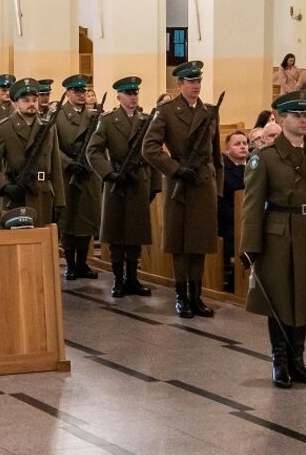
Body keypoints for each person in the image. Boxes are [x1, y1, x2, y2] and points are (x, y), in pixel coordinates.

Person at [241, 91, 306, 389]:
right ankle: (279, 361)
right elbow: (252, 205)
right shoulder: (265, 158)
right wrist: (250, 247)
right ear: (282, 119)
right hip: (278, 235)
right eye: (296, 115)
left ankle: (299, 362)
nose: (303, 120)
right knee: (281, 299)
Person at [142, 61, 222, 319]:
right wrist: (174, 169)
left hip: (202, 184)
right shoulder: (166, 111)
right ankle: (181, 297)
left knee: (199, 243)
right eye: (190, 82)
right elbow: (150, 148)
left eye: (198, 81)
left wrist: (217, 188)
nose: (196, 86)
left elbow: (217, 154)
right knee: (180, 243)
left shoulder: (210, 111)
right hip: (179, 182)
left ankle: (197, 296)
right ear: (180, 84)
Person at [86, 77, 158, 298]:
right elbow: (93, 151)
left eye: (135, 93)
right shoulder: (108, 121)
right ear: (119, 97)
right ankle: (118, 279)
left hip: (138, 182)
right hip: (116, 182)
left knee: (135, 236)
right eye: (128, 94)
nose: (133, 97)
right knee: (117, 236)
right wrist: (109, 173)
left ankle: (133, 279)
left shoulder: (146, 120)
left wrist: (154, 184)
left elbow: (153, 152)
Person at [0, 78, 66, 223]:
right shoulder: (4, 128)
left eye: (34, 99)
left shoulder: (48, 127)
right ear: (15, 103)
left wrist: (59, 201)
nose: (32, 104)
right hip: (17, 193)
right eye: (26, 100)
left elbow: (55, 165)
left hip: (43, 193)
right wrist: (4, 186)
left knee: (44, 239)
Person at [54, 74, 102, 280]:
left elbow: (99, 146)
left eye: (83, 91)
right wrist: (68, 163)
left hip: (88, 173)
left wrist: (89, 163)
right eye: (76, 92)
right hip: (67, 174)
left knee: (86, 222)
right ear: (67, 93)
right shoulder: (58, 116)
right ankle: (71, 264)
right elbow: (52, 147)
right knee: (68, 222)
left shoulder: (94, 117)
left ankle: (83, 263)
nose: (81, 95)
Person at [218, 130, 249, 290]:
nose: (243, 147)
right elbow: (220, 205)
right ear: (227, 150)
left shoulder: (254, 166)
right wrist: (240, 218)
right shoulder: (222, 171)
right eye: (237, 144)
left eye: (245, 143)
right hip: (230, 223)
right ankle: (236, 282)